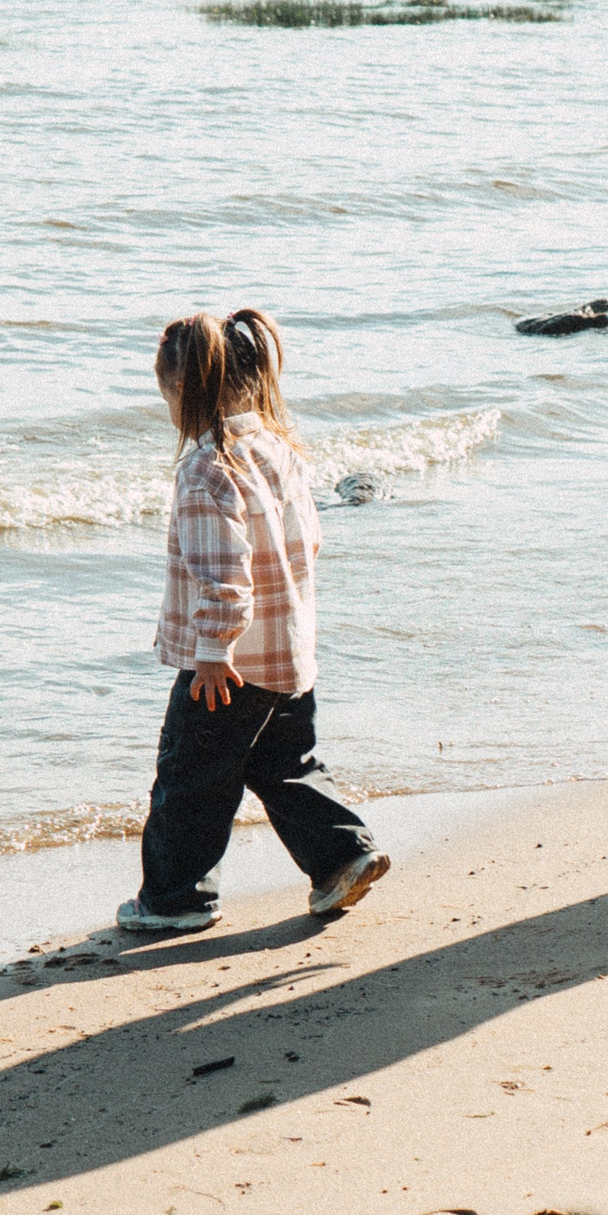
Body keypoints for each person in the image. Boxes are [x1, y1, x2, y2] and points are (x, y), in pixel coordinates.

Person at [116, 310, 389, 932]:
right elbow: (308, 544)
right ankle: (343, 856)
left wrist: (211, 653)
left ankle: (175, 899)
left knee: (191, 781)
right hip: (289, 652)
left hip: (228, 668)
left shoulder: (206, 470)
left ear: (180, 389)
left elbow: (227, 578)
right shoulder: (275, 446)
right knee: (285, 767)